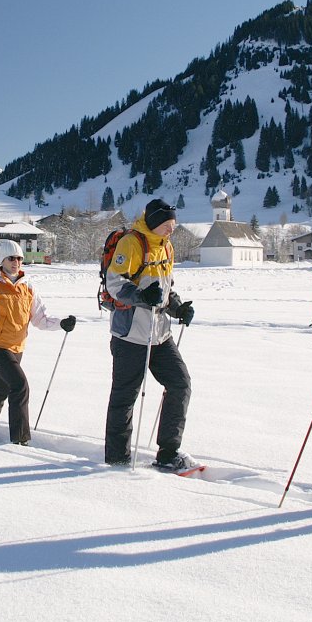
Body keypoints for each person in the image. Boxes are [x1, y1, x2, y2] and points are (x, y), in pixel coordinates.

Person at [103, 199, 197, 470]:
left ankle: (168, 453)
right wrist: (141, 295)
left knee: (180, 384)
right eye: (167, 225)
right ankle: (117, 458)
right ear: (155, 222)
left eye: (173, 225)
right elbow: (114, 283)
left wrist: (178, 308)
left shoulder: (167, 246)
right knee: (125, 395)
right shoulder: (132, 243)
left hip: (160, 335)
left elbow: (166, 289)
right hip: (130, 334)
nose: (171, 230)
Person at [0, 241, 74, 445]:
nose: (16, 262)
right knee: (20, 385)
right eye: (11, 258)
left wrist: (62, 323)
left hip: (17, 346)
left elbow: (41, 319)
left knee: (1, 387)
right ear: (2, 261)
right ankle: (20, 439)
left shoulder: (28, 288)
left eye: (19, 258)